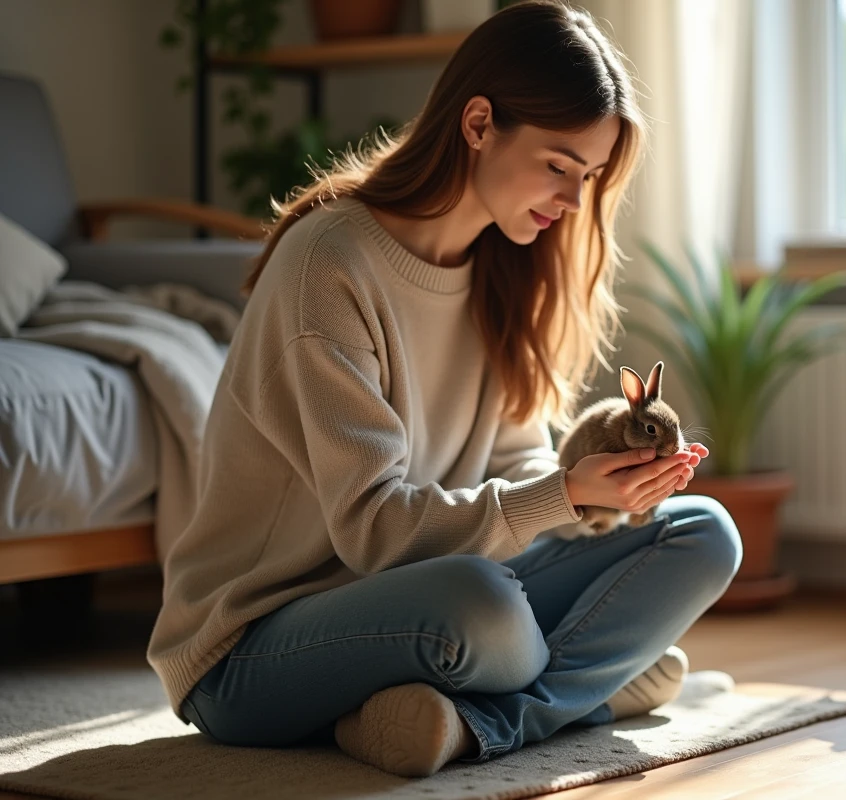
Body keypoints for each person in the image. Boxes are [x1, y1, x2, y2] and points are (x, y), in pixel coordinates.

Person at [146, 0, 742, 778]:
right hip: (254, 648)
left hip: (429, 590)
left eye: (587, 177)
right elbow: (375, 531)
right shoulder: (329, 264)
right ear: (478, 124)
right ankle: (594, 685)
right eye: (558, 165)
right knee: (488, 612)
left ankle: (470, 722)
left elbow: (515, 461)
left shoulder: (503, 266)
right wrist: (562, 496)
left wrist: (601, 494)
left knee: (702, 532)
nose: (571, 201)